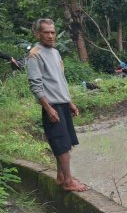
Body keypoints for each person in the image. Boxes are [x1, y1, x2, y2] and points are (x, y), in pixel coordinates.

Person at [26, 18, 89, 192]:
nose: (50, 36)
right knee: (60, 143)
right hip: (52, 105)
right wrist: (48, 108)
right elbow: (35, 85)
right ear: (38, 34)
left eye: (52, 32)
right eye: (46, 32)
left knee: (66, 143)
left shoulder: (55, 53)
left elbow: (60, 80)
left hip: (62, 103)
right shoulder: (34, 55)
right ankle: (68, 181)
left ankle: (62, 176)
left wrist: (69, 101)